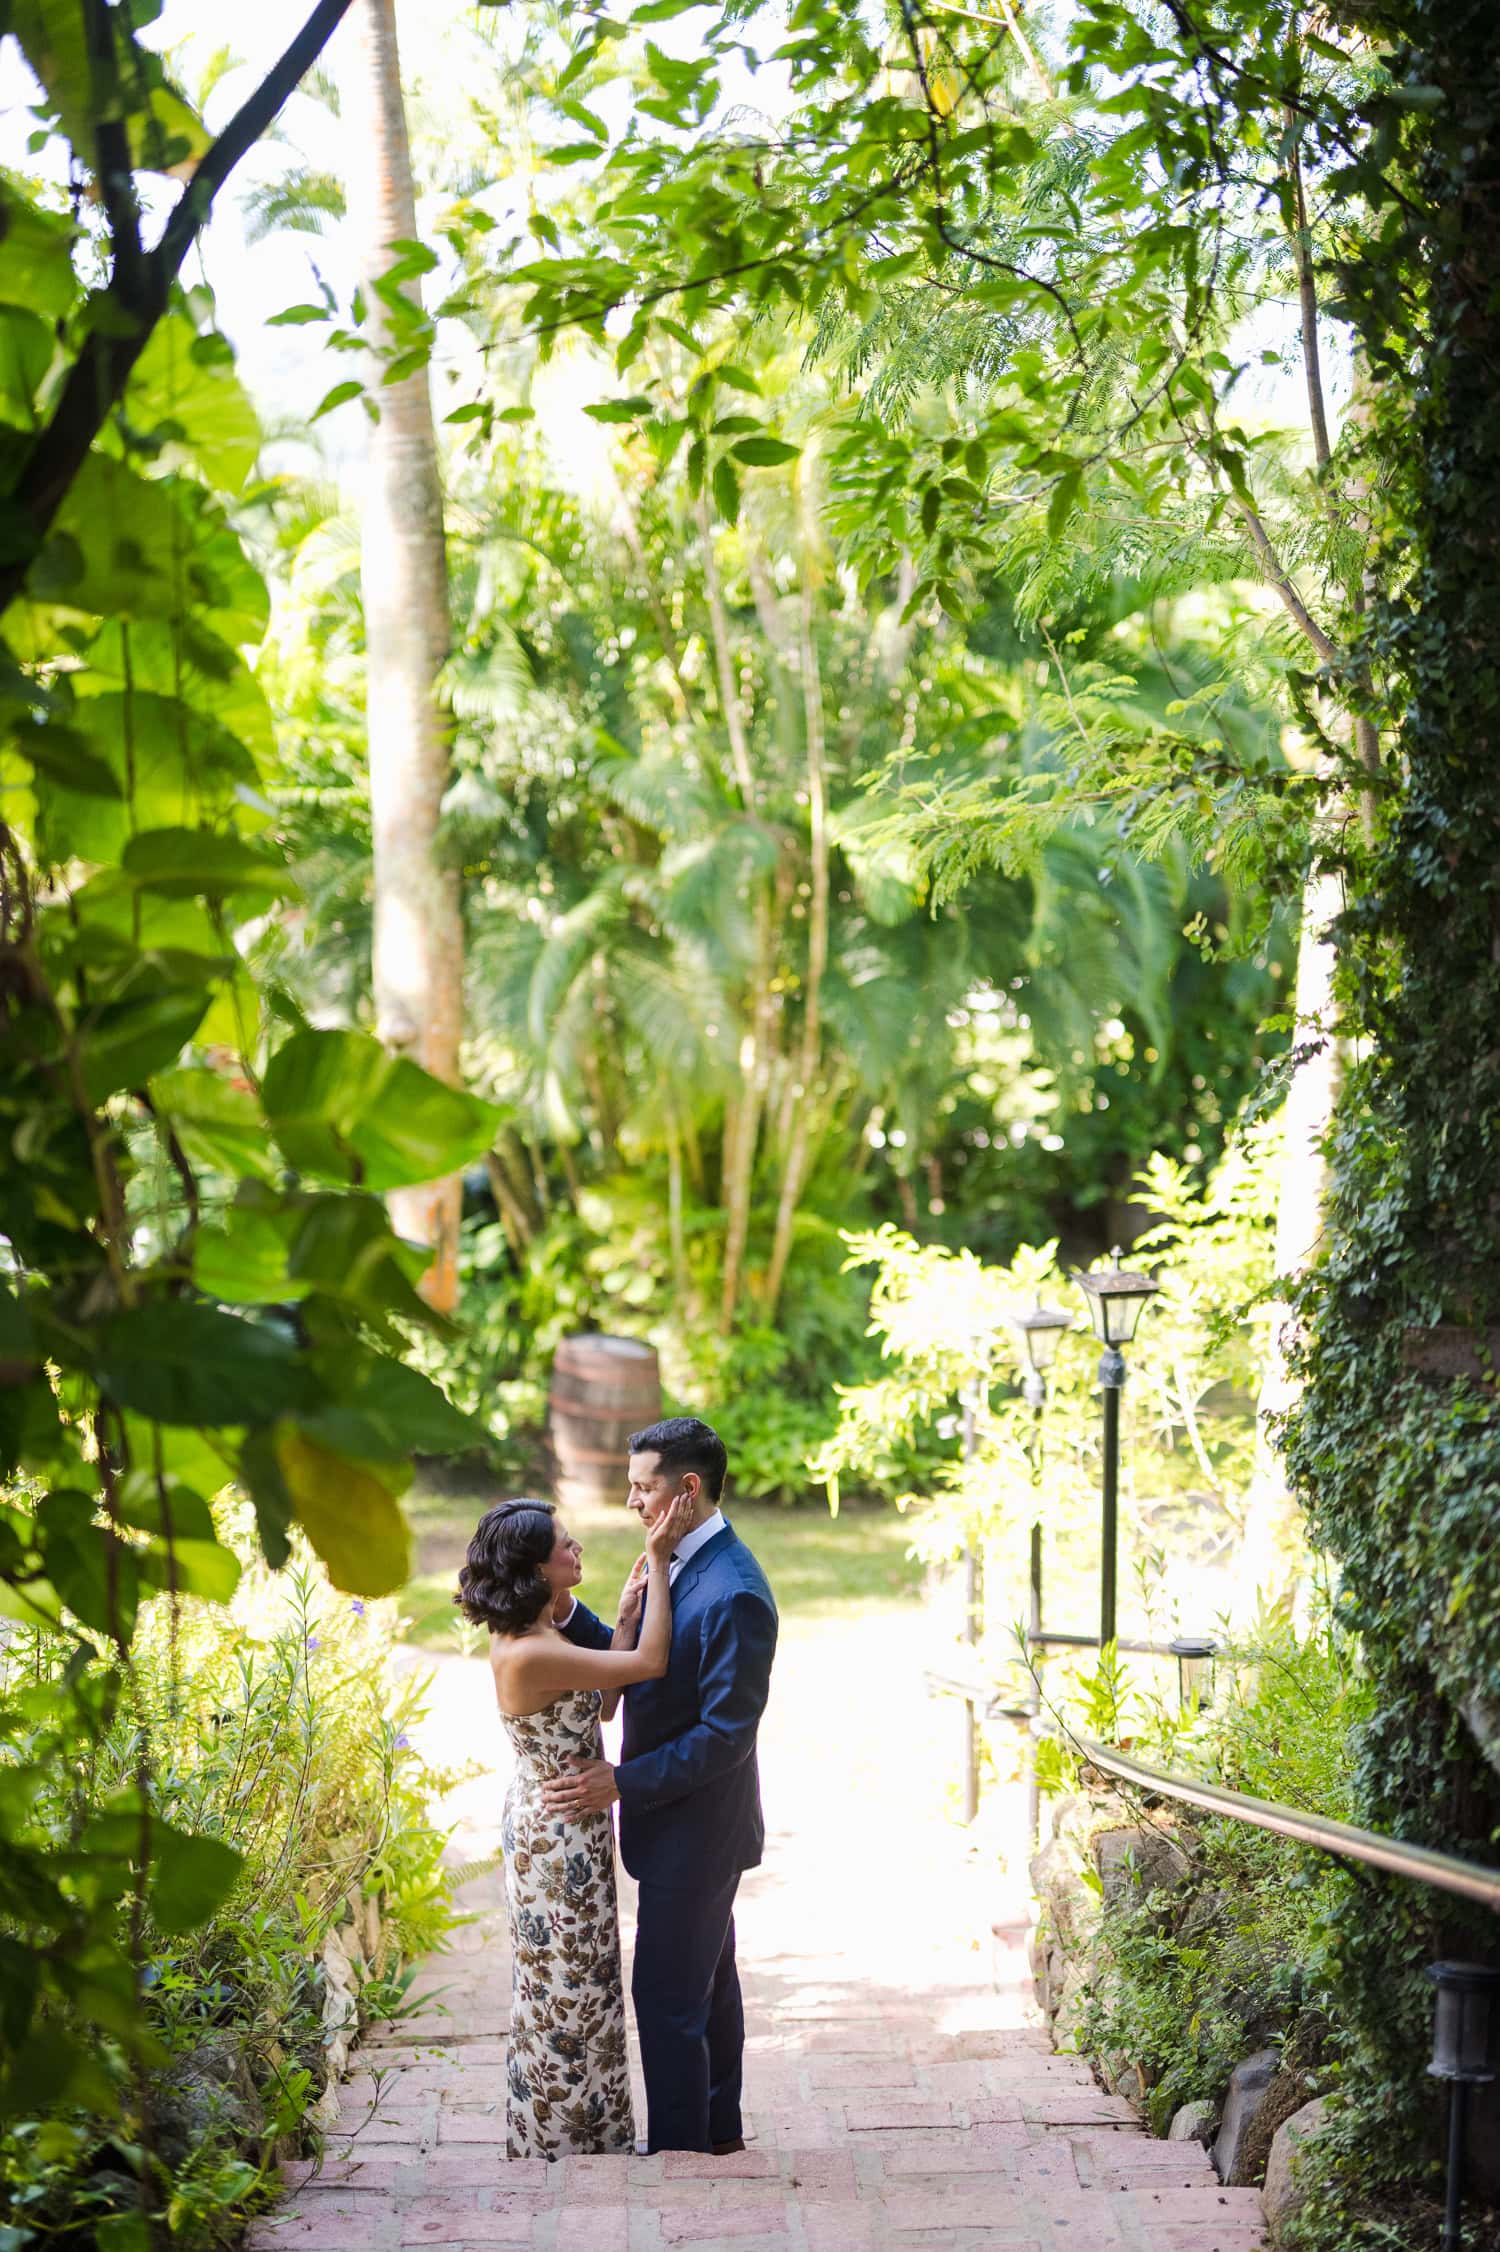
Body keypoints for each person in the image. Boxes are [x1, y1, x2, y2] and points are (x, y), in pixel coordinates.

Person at [541, 1417, 779, 2157]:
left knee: (670, 2001)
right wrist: (581, 1613)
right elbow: (642, 1652)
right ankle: (715, 2135)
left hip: (697, 1830)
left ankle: (680, 2157)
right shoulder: (677, 1559)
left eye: (643, 1487)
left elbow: (724, 1736)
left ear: (687, 1489)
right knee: (708, 1989)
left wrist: (620, 1782)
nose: (632, 1502)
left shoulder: (735, 1591)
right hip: (680, 1828)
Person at [454, 1489, 694, 2160]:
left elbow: (606, 1703)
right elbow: (650, 1666)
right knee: (566, 1987)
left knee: (577, 1982)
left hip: (565, 1820)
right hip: (557, 1834)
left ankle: (580, 2134)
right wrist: (657, 1552)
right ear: (535, 1570)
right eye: (565, 1544)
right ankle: (567, 2144)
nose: (577, 1548)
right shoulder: (531, 1651)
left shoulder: (543, 1633)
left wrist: (619, 1618)